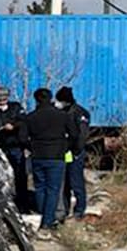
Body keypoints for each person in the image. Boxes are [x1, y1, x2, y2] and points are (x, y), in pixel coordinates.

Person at [24, 88, 78, 237]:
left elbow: (22, 138)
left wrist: (33, 147)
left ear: (36, 99)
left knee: (40, 188)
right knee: (53, 189)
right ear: (51, 98)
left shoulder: (30, 117)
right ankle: (47, 221)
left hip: (38, 156)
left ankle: (43, 215)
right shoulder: (62, 116)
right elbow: (74, 134)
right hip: (56, 156)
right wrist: (65, 148)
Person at [56, 86, 92, 221]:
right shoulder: (61, 112)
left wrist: (76, 151)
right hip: (63, 152)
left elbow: (82, 135)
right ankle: (65, 210)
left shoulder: (80, 113)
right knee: (64, 182)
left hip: (75, 152)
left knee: (76, 182)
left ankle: (79, 210)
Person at [0, 86, 31, 212]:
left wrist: (14, 125)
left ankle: (23, 204)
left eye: (3, 100)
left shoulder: (16, 108)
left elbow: (24, 121)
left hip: (15, 145)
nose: (1, 103)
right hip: (0, 145)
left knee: (20, 176)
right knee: (0, 175)